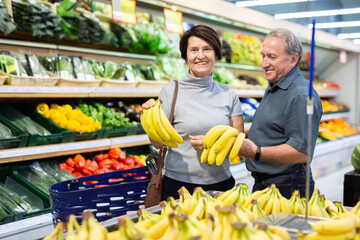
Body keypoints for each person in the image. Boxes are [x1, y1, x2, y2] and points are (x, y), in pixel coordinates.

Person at [141, 24, 244, 200]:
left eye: (207, 49)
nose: (200, 56)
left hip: (221, 185)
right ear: (186, 55)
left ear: (216, 54)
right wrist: (147, 116)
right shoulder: (170, 91)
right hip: (178, 186)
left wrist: (213, 144)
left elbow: (238, 144)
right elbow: (158, 144)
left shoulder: (229, 95)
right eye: (194, 50)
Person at [239, 28, 323, 199]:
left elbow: (302, 152)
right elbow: (276, 128)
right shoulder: (275, 86)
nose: (264, 63)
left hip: (287, 186)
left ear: (293, 60)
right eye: (263, 56)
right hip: (268, 182)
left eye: (272, 57)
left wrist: (256, 151)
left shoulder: (300, 95)